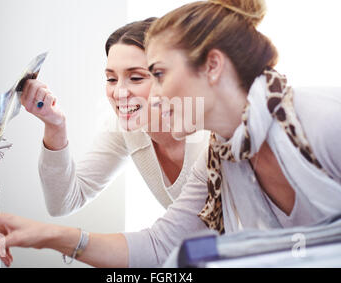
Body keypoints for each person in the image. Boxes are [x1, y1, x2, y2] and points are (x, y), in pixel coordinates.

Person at [0, 0, 341, 268]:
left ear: (212, 66)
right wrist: (44, 236)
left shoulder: (330, 122)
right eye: (112, 78)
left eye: (156, 75)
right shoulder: (221, 160)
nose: (151, 97)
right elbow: (160, 246)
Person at [21, 17, 209, 216]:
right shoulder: (125, 127)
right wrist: (55, 124)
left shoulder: (210, 134)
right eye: (111, 79)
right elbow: (64, 203)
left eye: (135, 78)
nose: (119, 92)